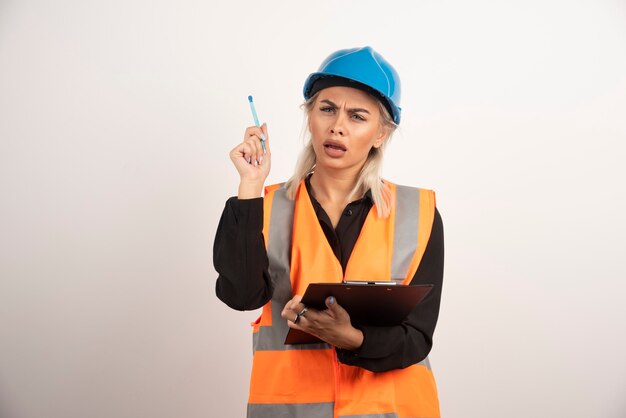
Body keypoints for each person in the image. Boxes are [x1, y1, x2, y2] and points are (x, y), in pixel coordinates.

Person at [214, 46, 444, 418]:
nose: (337, 125)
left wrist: (351, 338)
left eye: (357, 116)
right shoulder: (264, 205)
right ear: (310, 117)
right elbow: (240, 295)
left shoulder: (419, 214)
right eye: (327, 109)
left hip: (391, 410)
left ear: (381, 133)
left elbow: (417, 337)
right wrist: (250, 186)